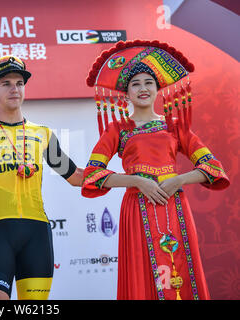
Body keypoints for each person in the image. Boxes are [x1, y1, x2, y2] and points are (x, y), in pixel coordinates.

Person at [82, 40, 229, 300]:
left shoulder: (175, 126)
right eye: (135, 84)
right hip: (137, 208)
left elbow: (213, 168)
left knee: (181, 271)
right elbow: (93, 174)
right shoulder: (118, 129)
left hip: (175, 206)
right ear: (125, 93)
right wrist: (138, 182)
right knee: (143, 274)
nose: (143, 88)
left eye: (149, 82)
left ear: (158, 89)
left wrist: (178, 180)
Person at [0, 55, 83, 300]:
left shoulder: (42, 133)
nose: (15, 89)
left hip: (37, 235)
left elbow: (75, 176)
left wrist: (132, 178)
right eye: (6, 83)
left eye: (20, 83)